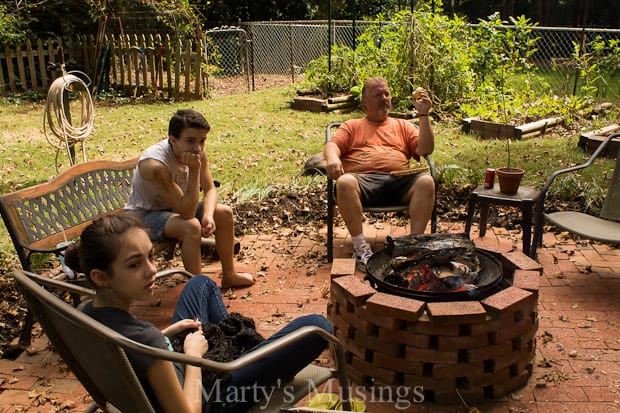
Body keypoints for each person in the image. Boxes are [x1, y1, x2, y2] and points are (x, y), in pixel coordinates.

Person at [64, 213, 333, 413]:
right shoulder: (148, 340)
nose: (151, 270)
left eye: (151, 257)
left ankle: (257, 357)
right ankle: (255, 360)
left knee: (201, 283)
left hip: (170, 361)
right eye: (135, 265)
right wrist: (193, 357)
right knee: (318, 326)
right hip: (212, 395)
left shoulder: (84, 313)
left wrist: (167, 335)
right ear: (101, 277)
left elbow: (131, 350)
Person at [125, 109, 253, 288]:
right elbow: (187, 212)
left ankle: (230, 275)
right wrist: (193, 171)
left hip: (173, 209)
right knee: (191, 226)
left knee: (224, 213)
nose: (198, 148)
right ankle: (198, 289)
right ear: (173, 140)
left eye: (202, 141)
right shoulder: (155, 165)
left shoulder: (197, 152)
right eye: (191, 141)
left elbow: (210, 190)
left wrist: (208, 215)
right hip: (143, 215)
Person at [323, 77, 435, 272]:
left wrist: (423, 115)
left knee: (426, 182)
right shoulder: (353, 125)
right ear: (365, 101)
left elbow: (426, 149)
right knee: (344, 182)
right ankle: (361, 249)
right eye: (378, 95)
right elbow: (332, 145)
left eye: (387, 94)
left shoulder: (403, 125)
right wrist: (333, 159)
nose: (384, 98)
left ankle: (413, 247)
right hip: (363, 182)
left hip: (398, 180)